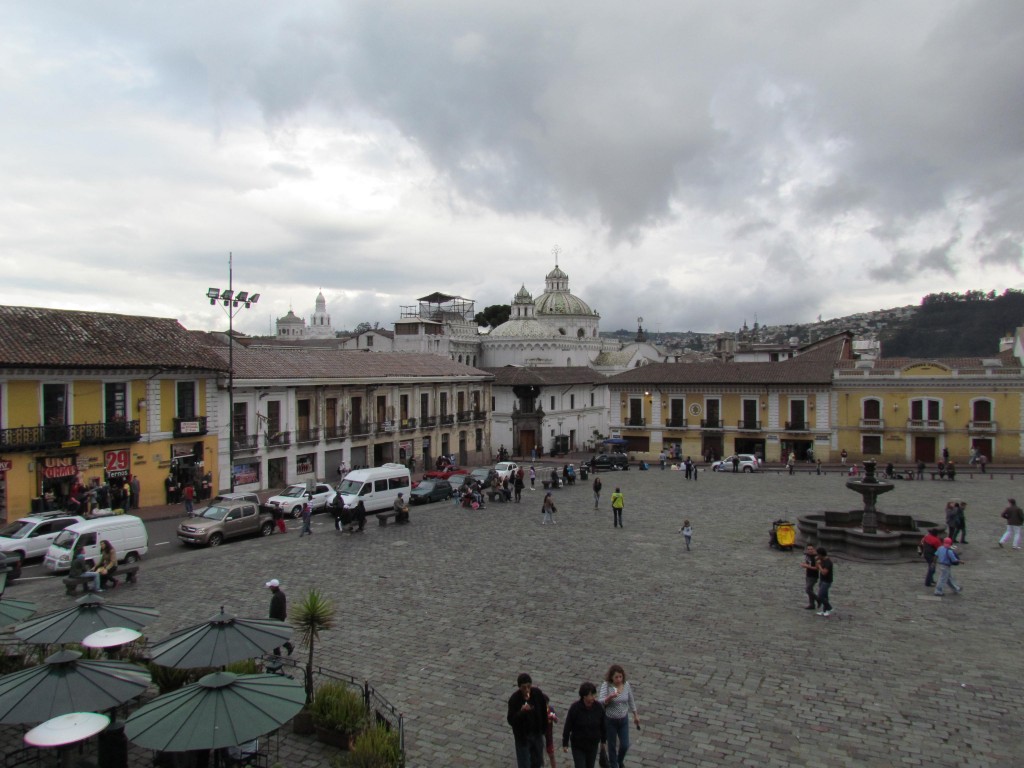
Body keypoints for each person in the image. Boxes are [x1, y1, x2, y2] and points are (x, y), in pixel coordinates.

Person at [598, 665, 638, 768]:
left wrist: (635, 715)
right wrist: (610, 697)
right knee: (612, 746)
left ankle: (619, 761)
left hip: (623, 719)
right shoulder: (606, 686)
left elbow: (631, 700)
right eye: (616, 677)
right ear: (611, 677)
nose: (619, 679)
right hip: (610, 720)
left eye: (620, 677)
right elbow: (600, 701)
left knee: (625, 745)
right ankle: (614, 765)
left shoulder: (626, 685)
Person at [562, 681, 607, 768]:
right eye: (591, 695)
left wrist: (603, 741)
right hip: (578, 745)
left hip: (592, 744)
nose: (593, 697)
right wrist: (565, 743)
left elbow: (603, 725)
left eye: (594, 695)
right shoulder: (575, 708)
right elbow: (568, 726)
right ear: (584, 696)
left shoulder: (598, 707)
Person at [508, 673, 548, 768]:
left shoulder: (537, 694)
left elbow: (543, 711)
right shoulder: (514, 699)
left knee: (537, 763)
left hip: (537, 735)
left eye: (528, 686)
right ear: (519, 687)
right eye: (523, 687)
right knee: (524, 764)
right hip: (523, 738)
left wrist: (543, 730)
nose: (526, 690)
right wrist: (521, 712)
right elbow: (511, 720)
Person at [266, 579, 294, 655]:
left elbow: (273, 611)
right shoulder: (282, 594)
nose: (270, 588)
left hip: (276, 620)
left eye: (270, 587)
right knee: (277, 636)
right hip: (281, 619)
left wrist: (271, 621)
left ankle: (277, 654)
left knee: (274, 637)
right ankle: (288, 646)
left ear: (274, 587)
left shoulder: (275, 597)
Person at [815, 547, 834, 617]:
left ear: (821, 554)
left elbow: (824, 572)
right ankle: (825, 610)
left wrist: (819, 565)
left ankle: (829, 607)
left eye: (818, 555)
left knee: (821, 596)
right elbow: (817, 568)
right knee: (825, 596)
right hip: (822, 580)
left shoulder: (828, 562)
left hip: (827, 581)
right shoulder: (822, 560)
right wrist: (817, 563)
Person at [800, 544, 819, 609]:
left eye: (811, 549)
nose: (810, 550)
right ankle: (811, 604)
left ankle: (818, 599)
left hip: (814, 576)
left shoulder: (816, 557)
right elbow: (807, 563)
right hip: (808, 575)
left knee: (808, 589)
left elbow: (816, 568)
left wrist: (807, 566)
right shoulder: (807, 556)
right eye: (808, 549)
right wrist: (804, 564)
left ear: (814, 549)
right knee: (810, 589)